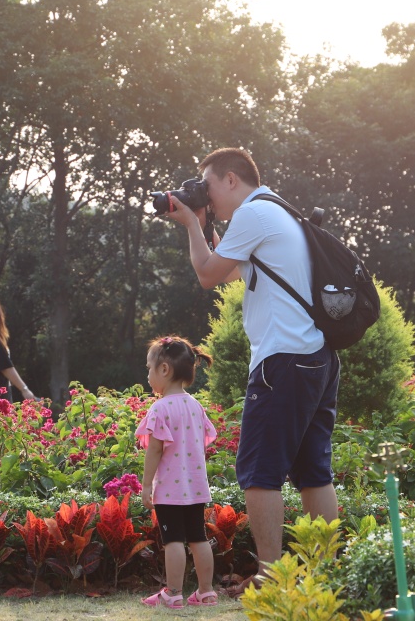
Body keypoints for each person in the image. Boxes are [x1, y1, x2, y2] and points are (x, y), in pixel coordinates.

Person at [163, 147, 340, 597]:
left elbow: (205, 275)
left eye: (208, 186)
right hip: (316, 356)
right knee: (312, 472)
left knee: (259, 470)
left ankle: (270, 579)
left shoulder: (253, 213)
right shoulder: (274, 210)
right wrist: (203, 223)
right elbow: (224, 271)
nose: (207, 195)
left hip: (282, 360)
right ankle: (329, 574)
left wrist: (190, 224)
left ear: (230, 180)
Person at [137, 335, 219, 609]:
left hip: (170, 490)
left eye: (149, 368)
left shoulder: (160, 408)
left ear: (164, 370)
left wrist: (147, 485)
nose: (148, 375)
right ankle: (206, 591)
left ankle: (172, 593)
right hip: (195, 487)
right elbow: (202, 440)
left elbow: (155, 451)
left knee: (173, 540)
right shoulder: (195, 406)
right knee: (198, 538)